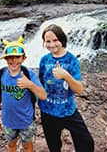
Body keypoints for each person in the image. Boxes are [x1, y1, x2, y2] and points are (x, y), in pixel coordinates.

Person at [38, 24, 94, 152]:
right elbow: (40, 84)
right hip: (47, 111)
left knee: (86, 142)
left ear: (62, 40)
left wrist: (66, 76)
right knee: (54, 146)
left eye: (55, 40)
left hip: (68, 110)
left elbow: (79, 90)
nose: (52, 45)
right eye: (48, 41)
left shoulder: (72, 60)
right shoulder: (44, 60)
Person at [0, 36, 47, 152]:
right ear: (5, 59)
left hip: (26, 121)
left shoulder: (29, 74)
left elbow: (43, 96)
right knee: (11, 144)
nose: (13, 60)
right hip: (8, 121)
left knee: (27, 145)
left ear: (23, 58)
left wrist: (30, 85)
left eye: (17, 57)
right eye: (10, 57)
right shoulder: (0, 74)